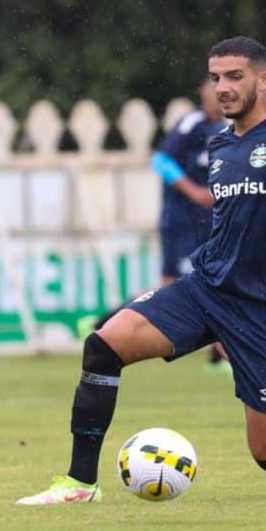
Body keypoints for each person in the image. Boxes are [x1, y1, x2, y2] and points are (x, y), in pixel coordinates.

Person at [18, 36, 266, 505]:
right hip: (205, 288)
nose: (222, 87)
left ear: (264, 78)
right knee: (103, 346)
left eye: (235, 76)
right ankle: (80, 484)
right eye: (216, 77)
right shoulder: (219, 144)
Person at [88, 78, 231, 374]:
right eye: (212, 87)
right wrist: (193, 191)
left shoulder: (224, 130)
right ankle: (104, 324)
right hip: (181, 220)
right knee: (170, 288)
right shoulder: (193, 122)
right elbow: (162, 159)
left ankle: (219, 355)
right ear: (203, 92)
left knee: (213, 283)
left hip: (209, 221)